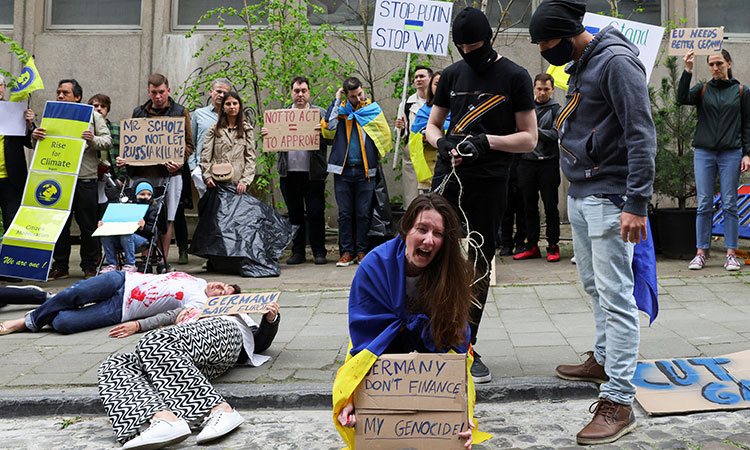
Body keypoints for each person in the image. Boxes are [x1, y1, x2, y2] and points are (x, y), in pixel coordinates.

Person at [529, 0, 656, 444]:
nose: (544, 49)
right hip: (583, 192)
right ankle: (604, 358)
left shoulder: (616, 63)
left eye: (547, 41)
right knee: (594, 286)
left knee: (617, 296)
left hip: (611, 194)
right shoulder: (583, 63)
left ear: (566, 32)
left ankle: (619, 400)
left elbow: (641, 132)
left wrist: (637, 203)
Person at [425, 7, 537, 383]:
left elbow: (529, 137)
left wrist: (487, 143)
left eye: (473, 45)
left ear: (487, 40)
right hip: (448, 178)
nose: (467, 51)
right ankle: (430, 337)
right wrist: (440, 143)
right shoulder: (453, 75)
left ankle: (465, 344)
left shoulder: (515, 76)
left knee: (477, 265)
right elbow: (433, 123)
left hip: (489, 182)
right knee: (431, 255)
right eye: (461, 46)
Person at [332, 193, 483, 450]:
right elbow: (365, 339)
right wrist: (355, 399)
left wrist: (461, 414)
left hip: (433, 359)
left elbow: (455, 347)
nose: (428, 240)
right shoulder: (373, 266)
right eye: (421, 229)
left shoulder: (452, 272)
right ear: (406, 230)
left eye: (437, 234)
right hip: (377, 355)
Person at [98, 302, 280, 449]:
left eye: (224, 287)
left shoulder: (233, 313)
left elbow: (259, 343)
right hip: (179, 358)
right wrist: (141, 324)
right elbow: (163, 317)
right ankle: (161, 419)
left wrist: (270, 321)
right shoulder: (191, 301)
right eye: (215, 285)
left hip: (222, 334)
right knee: (115, 363)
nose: (218, 285)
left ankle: (219, 409)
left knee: (153, 339)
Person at [32, 79, 113, 280]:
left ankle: (89, 266)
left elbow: (108, 141)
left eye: (65, 93)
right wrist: (36, 136)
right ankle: (60, 266)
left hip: (85, 178)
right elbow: (42, 145)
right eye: (58, 92)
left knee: (88, 225)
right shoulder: (52, 116)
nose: (60, 96)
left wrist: (92, 139)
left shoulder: (93, 116)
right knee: (59, 224)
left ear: (77, 97)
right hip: (59, 178)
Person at [678, 49, 750, 271]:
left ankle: (730, 254)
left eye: (719, 63)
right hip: (704, 153)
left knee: (730, 204)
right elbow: (681, 99)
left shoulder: (741, 91)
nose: (715, 68)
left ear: (729, 63)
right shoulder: (703, 89)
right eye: (711, 64)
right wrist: (688, 70)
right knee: (704, 205)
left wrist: (747, 153)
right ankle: (700, 253)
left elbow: (747, 124)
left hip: (731, 153)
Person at [0, 271, 237, 335]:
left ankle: (46, 301)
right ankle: (25, 321)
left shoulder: (199, 303)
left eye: (223, 293)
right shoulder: (199, 279)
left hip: (122, 309)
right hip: (122, 280)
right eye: (223, 284)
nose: (219, 288)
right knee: (77, 292)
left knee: (63, 323)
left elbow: (183, 321)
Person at [118, 73, 194, 264]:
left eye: (161, 92)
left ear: (168, 90)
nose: (158, 96)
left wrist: (179, 161)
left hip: (170, 174)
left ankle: (161, 259)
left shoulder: (180, 112)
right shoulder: (139, 112)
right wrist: (124, 159)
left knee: (166, 217)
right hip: (141, 174)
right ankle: (144, 259)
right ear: (148, 92)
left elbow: (189, 145)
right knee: (140, 215)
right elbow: (132, 141)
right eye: (154, 92)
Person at [323, 77, 391, 267]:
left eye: (360, 93)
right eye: (353, 96)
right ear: (346, 95)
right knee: (345, 213)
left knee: (363, 213)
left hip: (365, 170)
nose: (358, 98)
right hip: (342, 171)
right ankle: (346, 252)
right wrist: (337, 101)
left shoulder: (371, 110)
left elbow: (384, 133)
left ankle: (362, 251)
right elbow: (328, 128)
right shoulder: (341, 110)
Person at [261, 76, 329, 265]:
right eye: (297, 91)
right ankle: (298, 252)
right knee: (294, 214)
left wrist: (323, 131)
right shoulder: (281, 115)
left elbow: (332, 139)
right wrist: (268, 133)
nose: (300, 95)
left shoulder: (320, 113)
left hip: (313, 174)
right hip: (289, 173)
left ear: (309, 93)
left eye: (303, 91)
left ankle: (319, 251)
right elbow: (272, 140)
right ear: (291, 93)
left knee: (316, 212)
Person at [515, 73, 562, 262]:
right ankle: (532, 245)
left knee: (551, 207)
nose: (542, 93)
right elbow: (516, 130)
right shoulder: (525, 108)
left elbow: (555, 134)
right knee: (529, 207)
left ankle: (553, 245)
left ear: (552, 90)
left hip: (548, 163)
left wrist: (531, 132)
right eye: (539, 89)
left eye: (546, 89)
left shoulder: (557, 109)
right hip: (526, 163)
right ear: (533, 88)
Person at [98, 181, 162, 273]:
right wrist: (104, 224)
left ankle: (130, 264)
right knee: (105, 234)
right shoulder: (128, 206)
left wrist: (143, 227)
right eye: (142, 194)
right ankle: (112, 264)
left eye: (149, 194)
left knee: (127, 234)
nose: (145, 197)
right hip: (122, 239)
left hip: (142, 240)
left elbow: (152, 232)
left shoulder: (152, 209)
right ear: (135, 195)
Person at [200, 91, 256, 195]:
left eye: (235, 103)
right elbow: (205, 155)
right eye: (228, 104)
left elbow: (250, 157)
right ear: (223, 107)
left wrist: (245, 181)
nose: (232, 107)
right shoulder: (214, 128)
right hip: (218, 181)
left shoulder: (246, 129)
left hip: (238, 183)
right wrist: (207, 176)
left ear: (239, 106)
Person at [0, 78, 35, 235]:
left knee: (12, 223)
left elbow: (30, 143)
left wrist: (29, 125)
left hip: (12, 179)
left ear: (4, 88)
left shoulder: (14, 111)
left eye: (0, 85)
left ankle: (8, 258)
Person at [395, 65, 433, 208]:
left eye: (422, 76)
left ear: (430, 79)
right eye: (416, 77)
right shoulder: (406, 104)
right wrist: (401, 127)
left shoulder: (439, 102)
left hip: (432, 155)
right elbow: (400, 135)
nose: (418, 79)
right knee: (412, 199)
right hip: (413, 156)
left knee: (432, 198)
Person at [190, 78, 232, 200]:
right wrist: (193, 168)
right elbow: (190, 142)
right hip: (202, 170)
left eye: (225, 93)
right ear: (211, 91)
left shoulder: (232, 115)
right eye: (218, 91)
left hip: (227, 170)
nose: (221, 95)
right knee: (206, 205)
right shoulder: (199, 114)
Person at [408, 70, 447, 192]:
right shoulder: (424, 112)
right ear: (431, 87)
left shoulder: (458, 108)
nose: (440, 87)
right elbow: (414, 140)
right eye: (436, 84)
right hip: (430, 168)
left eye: (443, 83)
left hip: (452, 166)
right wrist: (427, 135)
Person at [88, 93, 125, 216]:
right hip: (90, 177)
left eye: (102, 106)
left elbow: (126, 155)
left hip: (111, 177)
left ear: (107, 109)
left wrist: (121, 179)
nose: (99, 108)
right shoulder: (86, 128)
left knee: (110, 213)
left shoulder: (117, 129)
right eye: (95, 105)